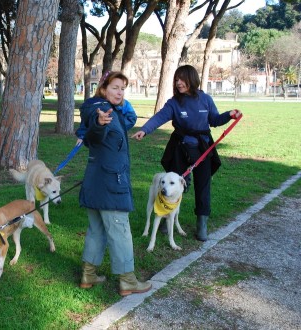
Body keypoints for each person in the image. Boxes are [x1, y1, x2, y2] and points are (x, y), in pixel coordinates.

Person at [132, 65, 242, 242]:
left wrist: (229, 114)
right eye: (176, 79)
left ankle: (202, 224)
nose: (178, 83)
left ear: (192, 79)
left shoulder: (205, 99)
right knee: (170, 183)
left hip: (202, 148)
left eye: (182, 79)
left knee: (203, 186)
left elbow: (214, 120)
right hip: (180, 147)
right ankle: (163, 217)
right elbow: (160, 117)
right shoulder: (174, 102)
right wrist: (145, 130)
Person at [76, 71, 152, 296]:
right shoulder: (101, 110)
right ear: (103, 89)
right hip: (110, 184)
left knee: (96, 229)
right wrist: (99, 123)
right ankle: (127, 279)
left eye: (122, 88)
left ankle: (88, 274)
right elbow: (94, 134)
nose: (119, 92)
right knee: (120, 231)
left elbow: (128, 119)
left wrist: (113, 110)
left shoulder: (113, 110)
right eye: (115, 87)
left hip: (97, 181)